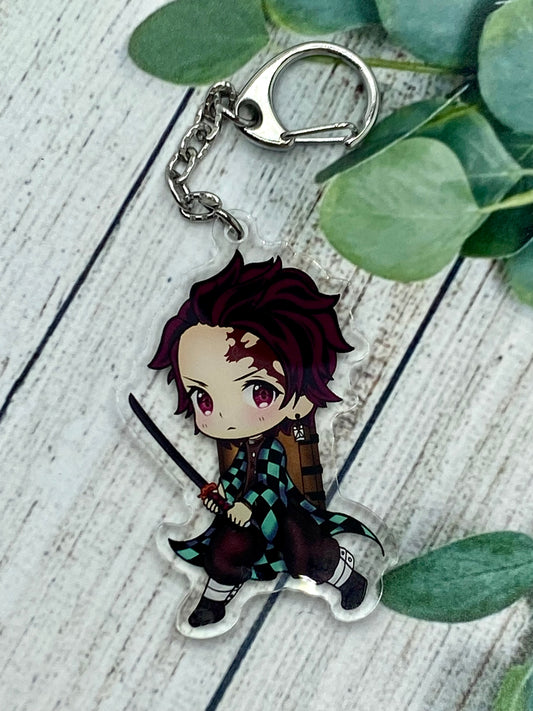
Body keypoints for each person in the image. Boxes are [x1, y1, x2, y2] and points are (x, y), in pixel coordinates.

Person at [149, 251, 384, 627]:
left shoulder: (273, 447)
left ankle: (347, 579)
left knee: (305, 551)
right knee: (226, 549)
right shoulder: (242, 451)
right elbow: (236, 478)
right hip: (247, 516)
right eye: (203, 398)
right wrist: (220, 496)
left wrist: (247, 506)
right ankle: (213, 602)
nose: (224, 415)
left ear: (299, 398)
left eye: (258, 391)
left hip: (282, 511)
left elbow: (270, 485)